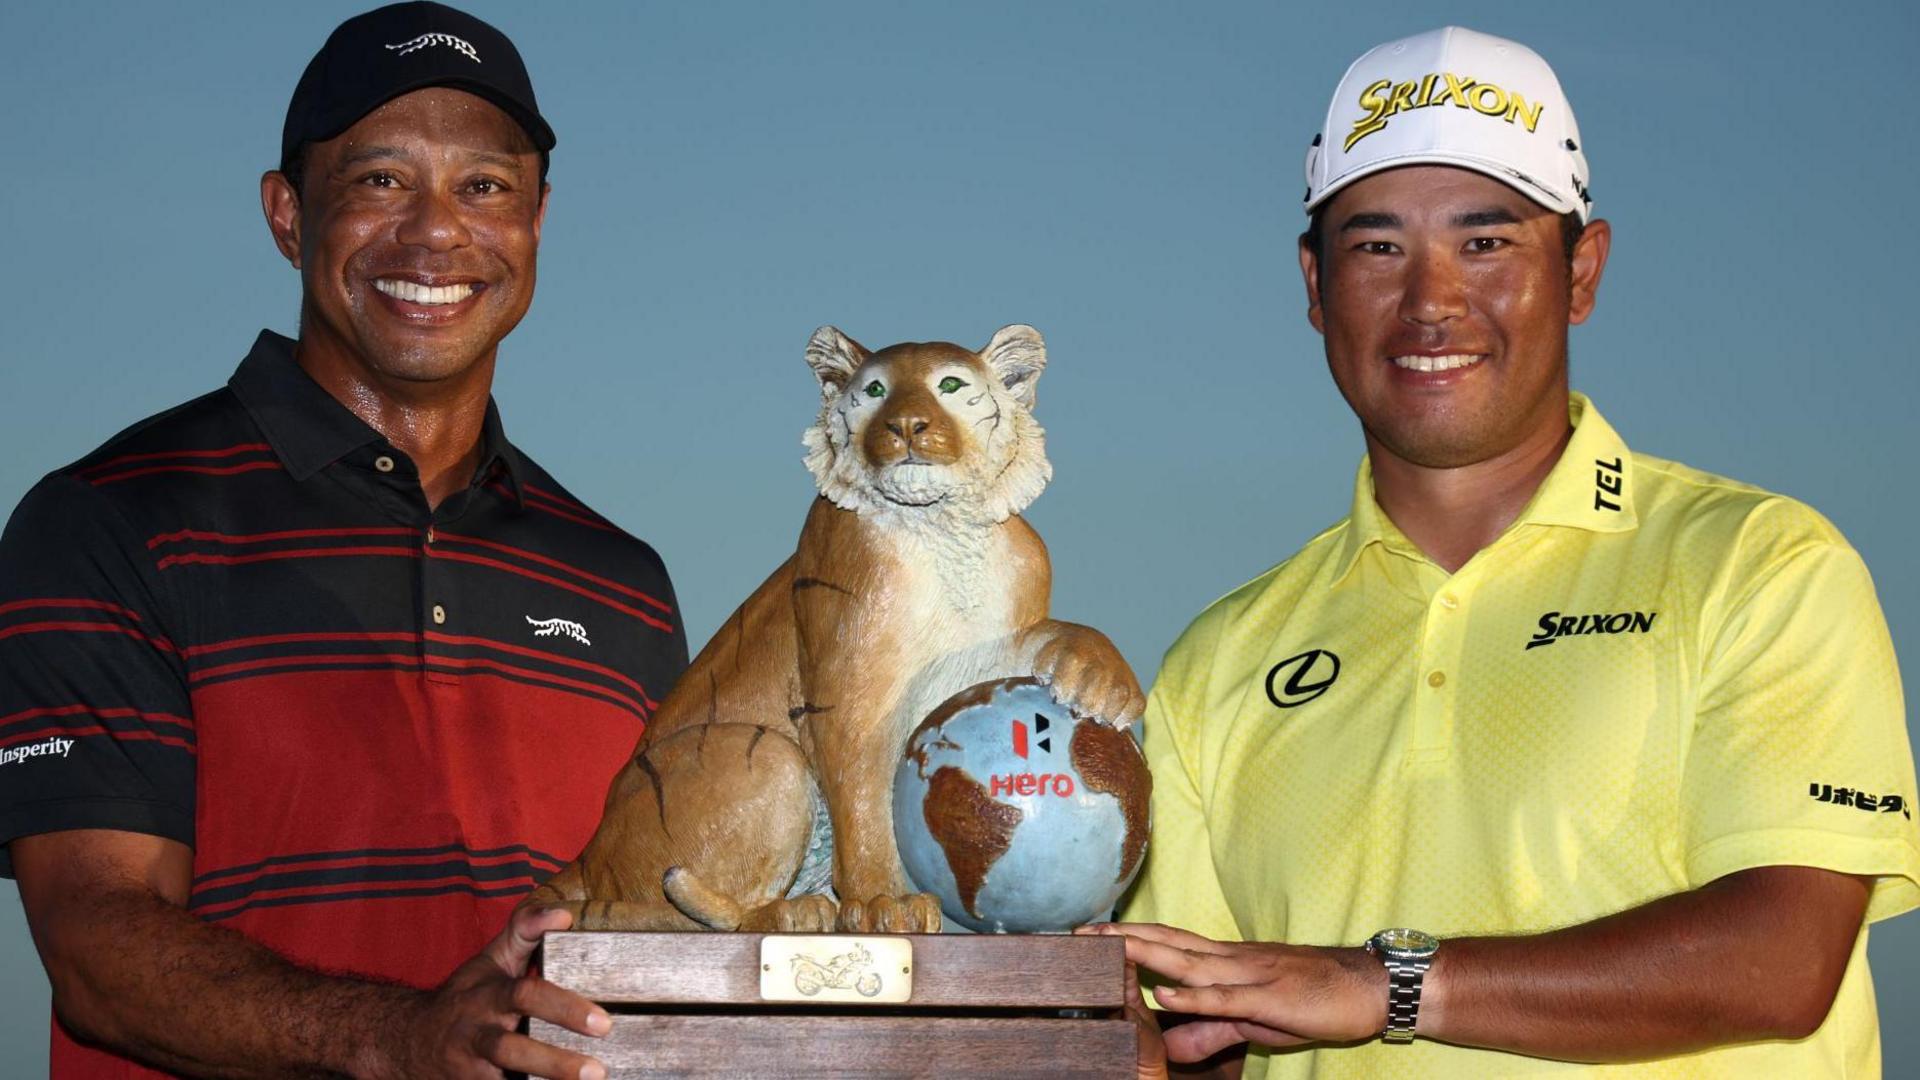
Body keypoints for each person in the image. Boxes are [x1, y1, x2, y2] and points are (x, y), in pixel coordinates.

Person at [1104, 25, 1920, 1079]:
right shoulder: (1219, 660)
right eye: (1377, 246)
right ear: (1315, 285)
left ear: (1582, 270)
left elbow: (1782, 957)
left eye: (1485, 242)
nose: (1431, 300)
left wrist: (1390, 985)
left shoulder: (1762, 567)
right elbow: (1197, 1033)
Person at [0, 4, 687, 1077]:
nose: (435, 232)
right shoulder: (106, 518)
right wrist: (397, 1037)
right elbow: (95, 945)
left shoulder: (625, 586)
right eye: (378, 180)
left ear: (537, 220)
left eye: (484, 187)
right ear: (287, 214)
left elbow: (675, 932)